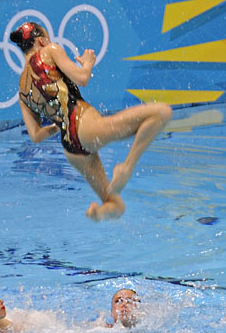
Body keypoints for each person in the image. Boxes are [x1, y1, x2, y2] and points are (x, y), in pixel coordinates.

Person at [12, 21, 173, 221]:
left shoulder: (21, 91)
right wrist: (88, 63)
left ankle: (99, 213)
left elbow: (35, 135)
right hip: (83, 123)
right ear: (42, 40)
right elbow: (82, 78)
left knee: (115, 204)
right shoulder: (50, 51)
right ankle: (126, 168)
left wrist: (58, 125)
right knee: (162, 113)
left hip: (70, 148)